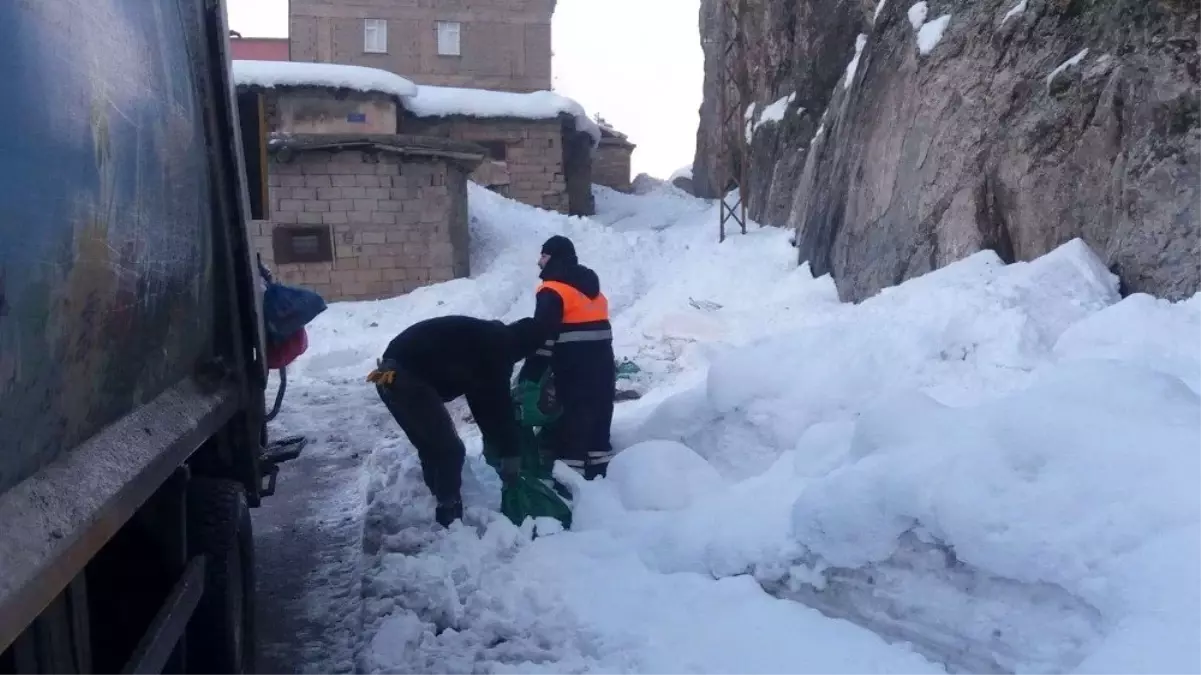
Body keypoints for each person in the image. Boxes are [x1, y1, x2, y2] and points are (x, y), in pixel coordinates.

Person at [367, 316, 543, 527]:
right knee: (449, 450)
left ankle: (438, 503)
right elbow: (499, 407)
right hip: (405, 380)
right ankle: (449, 516)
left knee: (431, 445)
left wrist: (498, 441)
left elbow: (482, 402)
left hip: (386, 375)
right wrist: (511, 453)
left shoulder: (486, 339)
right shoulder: (497, 350)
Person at [518, 235, 617, 479]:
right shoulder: (592, 289)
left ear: (554, 258)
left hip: (573, 365)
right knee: (599, 412)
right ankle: (601, 472)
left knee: (573, 415)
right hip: (603, 362)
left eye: (543, 255)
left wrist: (532, 370)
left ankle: (570, 481)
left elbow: (543, 334)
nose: (539, 261)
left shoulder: (552, 290)